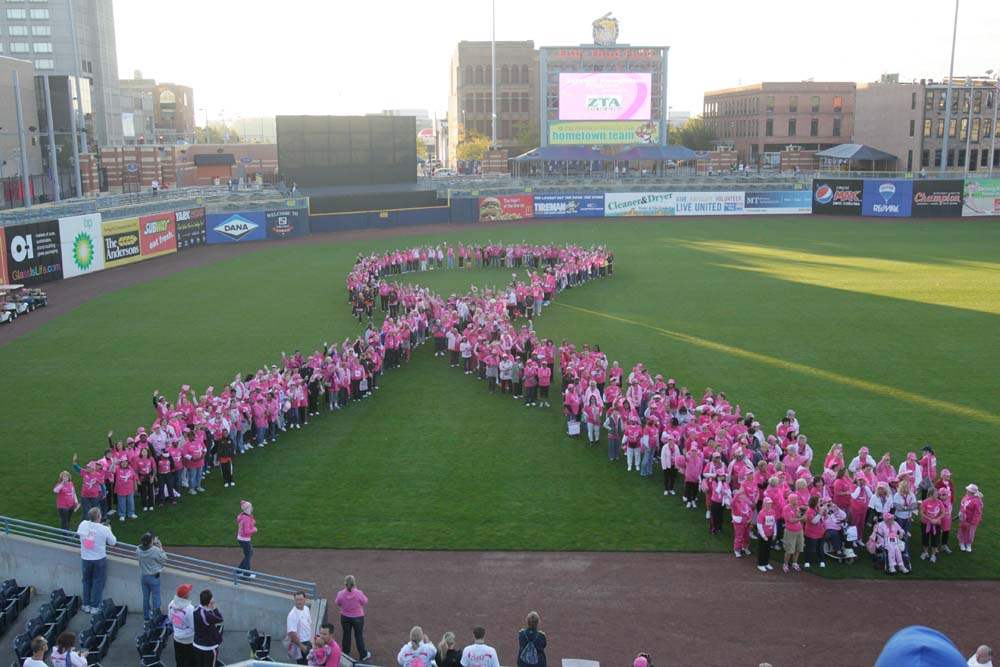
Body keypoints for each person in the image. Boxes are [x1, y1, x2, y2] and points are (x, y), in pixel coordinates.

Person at [77, 507, 116, 613]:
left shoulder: (83, 524)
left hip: (85, 558)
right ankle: (94, 606)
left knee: (86, 582)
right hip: (99, 559)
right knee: (98, 582)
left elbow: (84, 534)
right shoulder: (104, 529)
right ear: (99, 517)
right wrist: (109, 529)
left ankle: (86, 605)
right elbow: (113, 542)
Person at [335, 575, 370, 661]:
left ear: (345, 583)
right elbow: (365, 601)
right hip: (358, 618)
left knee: (346, 635)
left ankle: (345, 654)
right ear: (354, 583)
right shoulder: (358, 593)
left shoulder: (340, 593)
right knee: (359, 636)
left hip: (345, 617)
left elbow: (337, 602)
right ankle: (363, 655)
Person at [137, 531, 166, 621]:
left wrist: (152, 542)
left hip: (144, 577)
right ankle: (156, 618)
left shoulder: (138, 549)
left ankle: (146, 617)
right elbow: (163, 559)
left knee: (145, 598)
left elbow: (143, 546)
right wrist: (160, 546)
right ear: (151, 542)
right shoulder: (155, 550)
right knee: (156, 597)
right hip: (153, 577)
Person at [192, 589, 224, 667]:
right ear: (209, 603)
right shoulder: (207, 616)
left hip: (197, 645)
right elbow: (220, 619)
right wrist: (214, 608)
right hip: (209, 648)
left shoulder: (195, 609)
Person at [169, 584, 196, 667]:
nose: (190, 592)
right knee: (189, 662)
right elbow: (193, 626)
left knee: (179, 660)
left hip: (176, 637)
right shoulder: (190, 608)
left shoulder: (171, 604)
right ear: (185, 596)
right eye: (188, 591)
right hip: (188, 640)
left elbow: (170, 619)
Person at [286, 591, 313, 665]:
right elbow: (292, 633)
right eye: (297, 600)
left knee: (310, 663)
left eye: (300, 599)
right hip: (300, 644)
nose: (298, 602)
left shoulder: (306, 609)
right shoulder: (292, 615)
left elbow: (308, 624)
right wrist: (301, 646)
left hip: (308, 642)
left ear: (305, 599)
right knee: (303, 664)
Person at [959, 484, 984, 552]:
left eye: (968, 490)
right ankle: (961, 542)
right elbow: (962, 506)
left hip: (971, 521)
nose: (966, 491)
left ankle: (968, 544)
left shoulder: (977, 501)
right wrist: (961, 514)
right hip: (964, 519)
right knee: (962, 530)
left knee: (970, 532)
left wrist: (972, 522)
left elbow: (977, 513)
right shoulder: (966, 497)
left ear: (971, 492)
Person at [237, 500, 257, 578]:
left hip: (241, 539)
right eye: (250, 507)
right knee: (248, 556)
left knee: (249, 554)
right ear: (247, 508)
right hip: (244, 540)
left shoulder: (242, 515)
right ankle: (246, 574)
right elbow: (246, 531)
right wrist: (254, 529)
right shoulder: (246, 518)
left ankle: (239, 571)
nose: (252, 508)